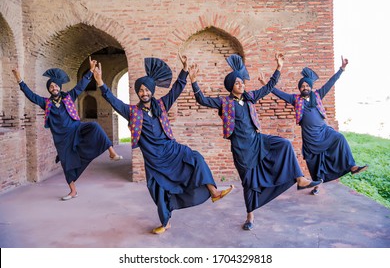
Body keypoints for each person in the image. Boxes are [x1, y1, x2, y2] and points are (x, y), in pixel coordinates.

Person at [94, 54, 233, 234]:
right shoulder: (133, 112)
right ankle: (166, 222)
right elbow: (114, 101)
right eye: (141, 90)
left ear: (152, 90)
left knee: (196, 158)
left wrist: (184, 71)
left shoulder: (161, 105)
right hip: (153, 159)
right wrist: (99, 81)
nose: (144, 93)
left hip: (171, 150)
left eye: (146, 90)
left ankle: (213, 191)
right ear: (138, 93)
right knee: (157, 190)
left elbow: (176, 89)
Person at [191, 53, 321, 230]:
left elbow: (268, 88)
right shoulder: (225, 102)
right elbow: (202, 100)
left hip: (258, 140)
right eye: (237, 83)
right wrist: (194, 82)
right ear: (231, 86)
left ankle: (300, 179)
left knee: (284, 144)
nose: (241, 85)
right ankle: (250, 217)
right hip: (241, 148)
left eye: (242, 82)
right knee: (249, 183)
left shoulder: (250, 97)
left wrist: (279, 68)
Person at [12, 56, 123, 201]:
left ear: (60, 87)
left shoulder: (68, 97)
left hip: (76, 129)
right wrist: (19, 80)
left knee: (94, 126)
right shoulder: (46, 103)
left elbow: (80, 86)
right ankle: (73, 191)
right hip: (62, 139)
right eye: (51, 87)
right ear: (49, 89)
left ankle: (112, 153)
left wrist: (90, 71)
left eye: (56, 86)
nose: (54, 88)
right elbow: (31, 96)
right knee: (67, 164)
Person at [269, 56, 368, 195]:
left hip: (324, 132)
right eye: (303, 86)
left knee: (339, 138)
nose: (305, 87)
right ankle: (316, 186)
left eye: (307, 86)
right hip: (310, 137)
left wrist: (342, 69)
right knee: (314, 163)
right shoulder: (295, 99)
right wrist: (267, 85)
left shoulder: (317, 95)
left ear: (311, 87)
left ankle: (352, 166)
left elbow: (330, 82)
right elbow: (278, 93)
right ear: (300, 88)